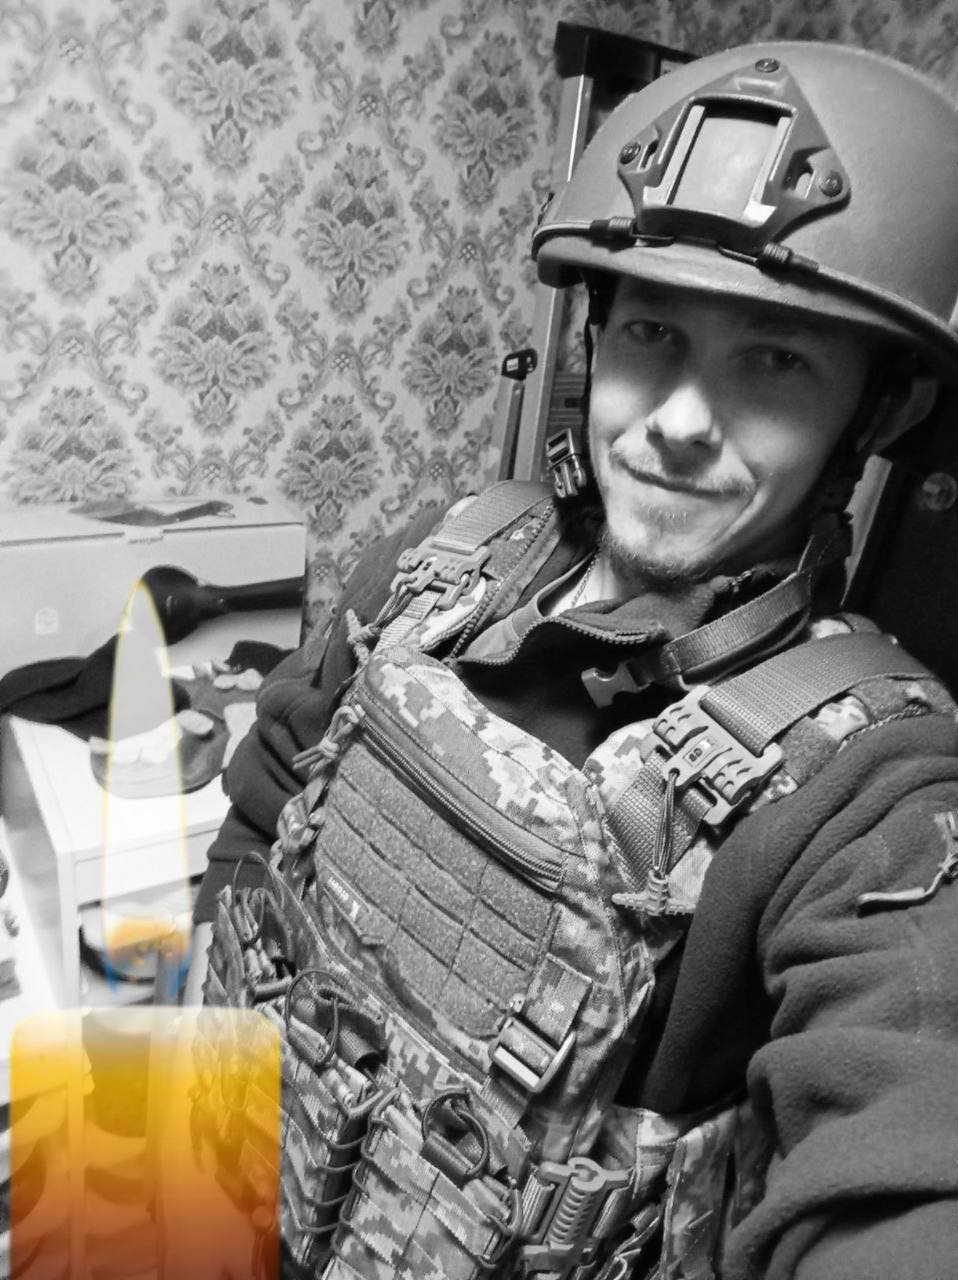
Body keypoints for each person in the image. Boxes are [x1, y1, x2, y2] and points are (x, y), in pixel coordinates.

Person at [188, 39, 958, 1280]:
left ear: (883, 410)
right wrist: (151, 1178)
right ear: (596, 337)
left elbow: (904, 1154)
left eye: (774, 359)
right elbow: (257, 830)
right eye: (654, 333)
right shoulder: (441, 562)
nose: (678, 422)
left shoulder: (875, 789)